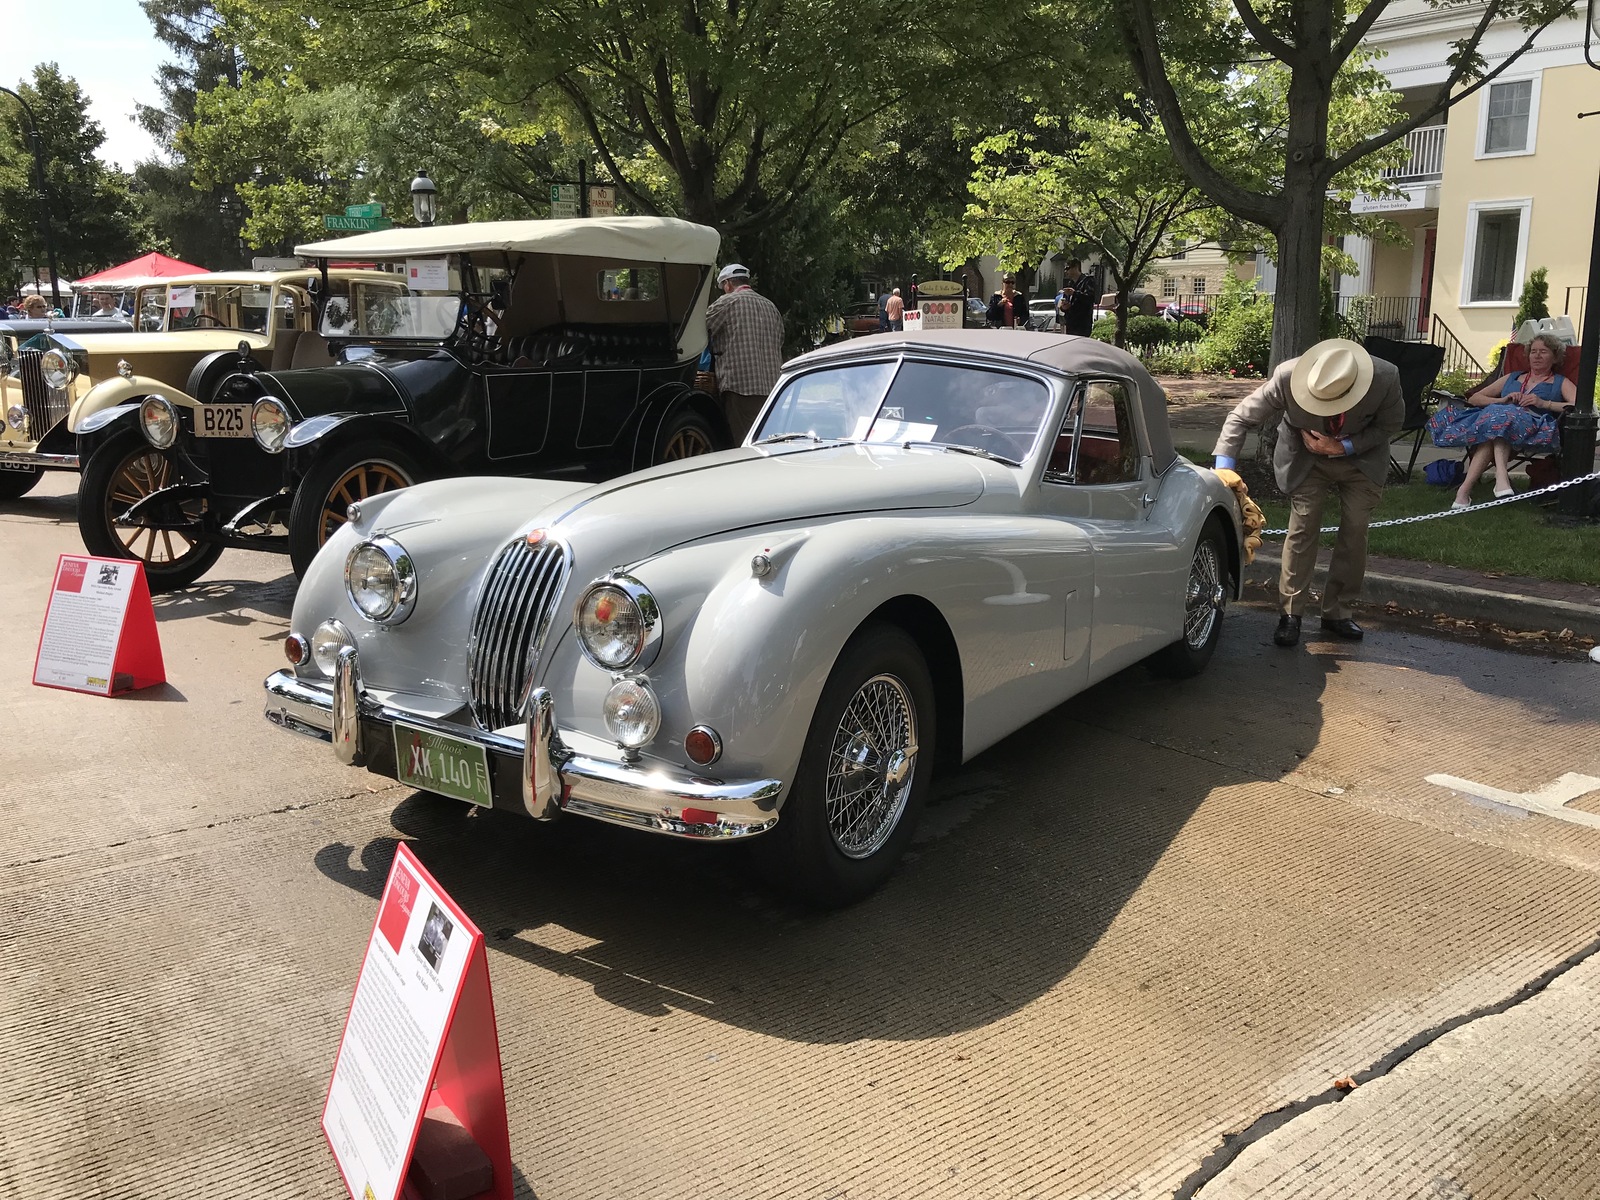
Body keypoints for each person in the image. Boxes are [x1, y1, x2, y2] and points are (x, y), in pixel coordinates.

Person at [1213, 338, 1404, 647]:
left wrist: (1344, 446)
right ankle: (1291, 614)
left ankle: (1338, 613)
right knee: (1302, 528)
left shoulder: (1385, 377)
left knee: (1355, 530)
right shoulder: (1287, 377)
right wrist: (1224, 471)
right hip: (1306, 459)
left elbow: (1391, 424)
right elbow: (1240, 418)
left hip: (1361, 461)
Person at [1428, 330, 1576, 508]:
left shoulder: (1560, 382)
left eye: (1543, 352)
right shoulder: (1512, 377)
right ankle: (1496, 480)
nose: (1537, 356)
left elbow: (1578, 404)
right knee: (1499, 421)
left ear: (1555, 357)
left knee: (1498, 424)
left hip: (1534, 427)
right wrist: (1502, 400)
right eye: (1533, 351)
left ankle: (1466, 491)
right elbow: (1475, 398)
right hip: (1498, 422)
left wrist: (1544, 403)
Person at [705, 263, 784, 442]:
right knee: (768, 441)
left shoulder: (726, 303)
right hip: (772, 388)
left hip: (740, 386)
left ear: (727, 284)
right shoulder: (771, 306)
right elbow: (780, 340)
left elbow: (703, 332)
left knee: (744, 442)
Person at [1056, 259, 1096, 336]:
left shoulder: (1087, 281)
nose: (1065, 271)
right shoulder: (1070, 283)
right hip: (1070, 323)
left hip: (1082, 324)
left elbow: (1089, 298)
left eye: (1068, 268)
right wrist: (1063, 307)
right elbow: (1065, 302)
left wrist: (1074, 293)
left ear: (1076, 267)